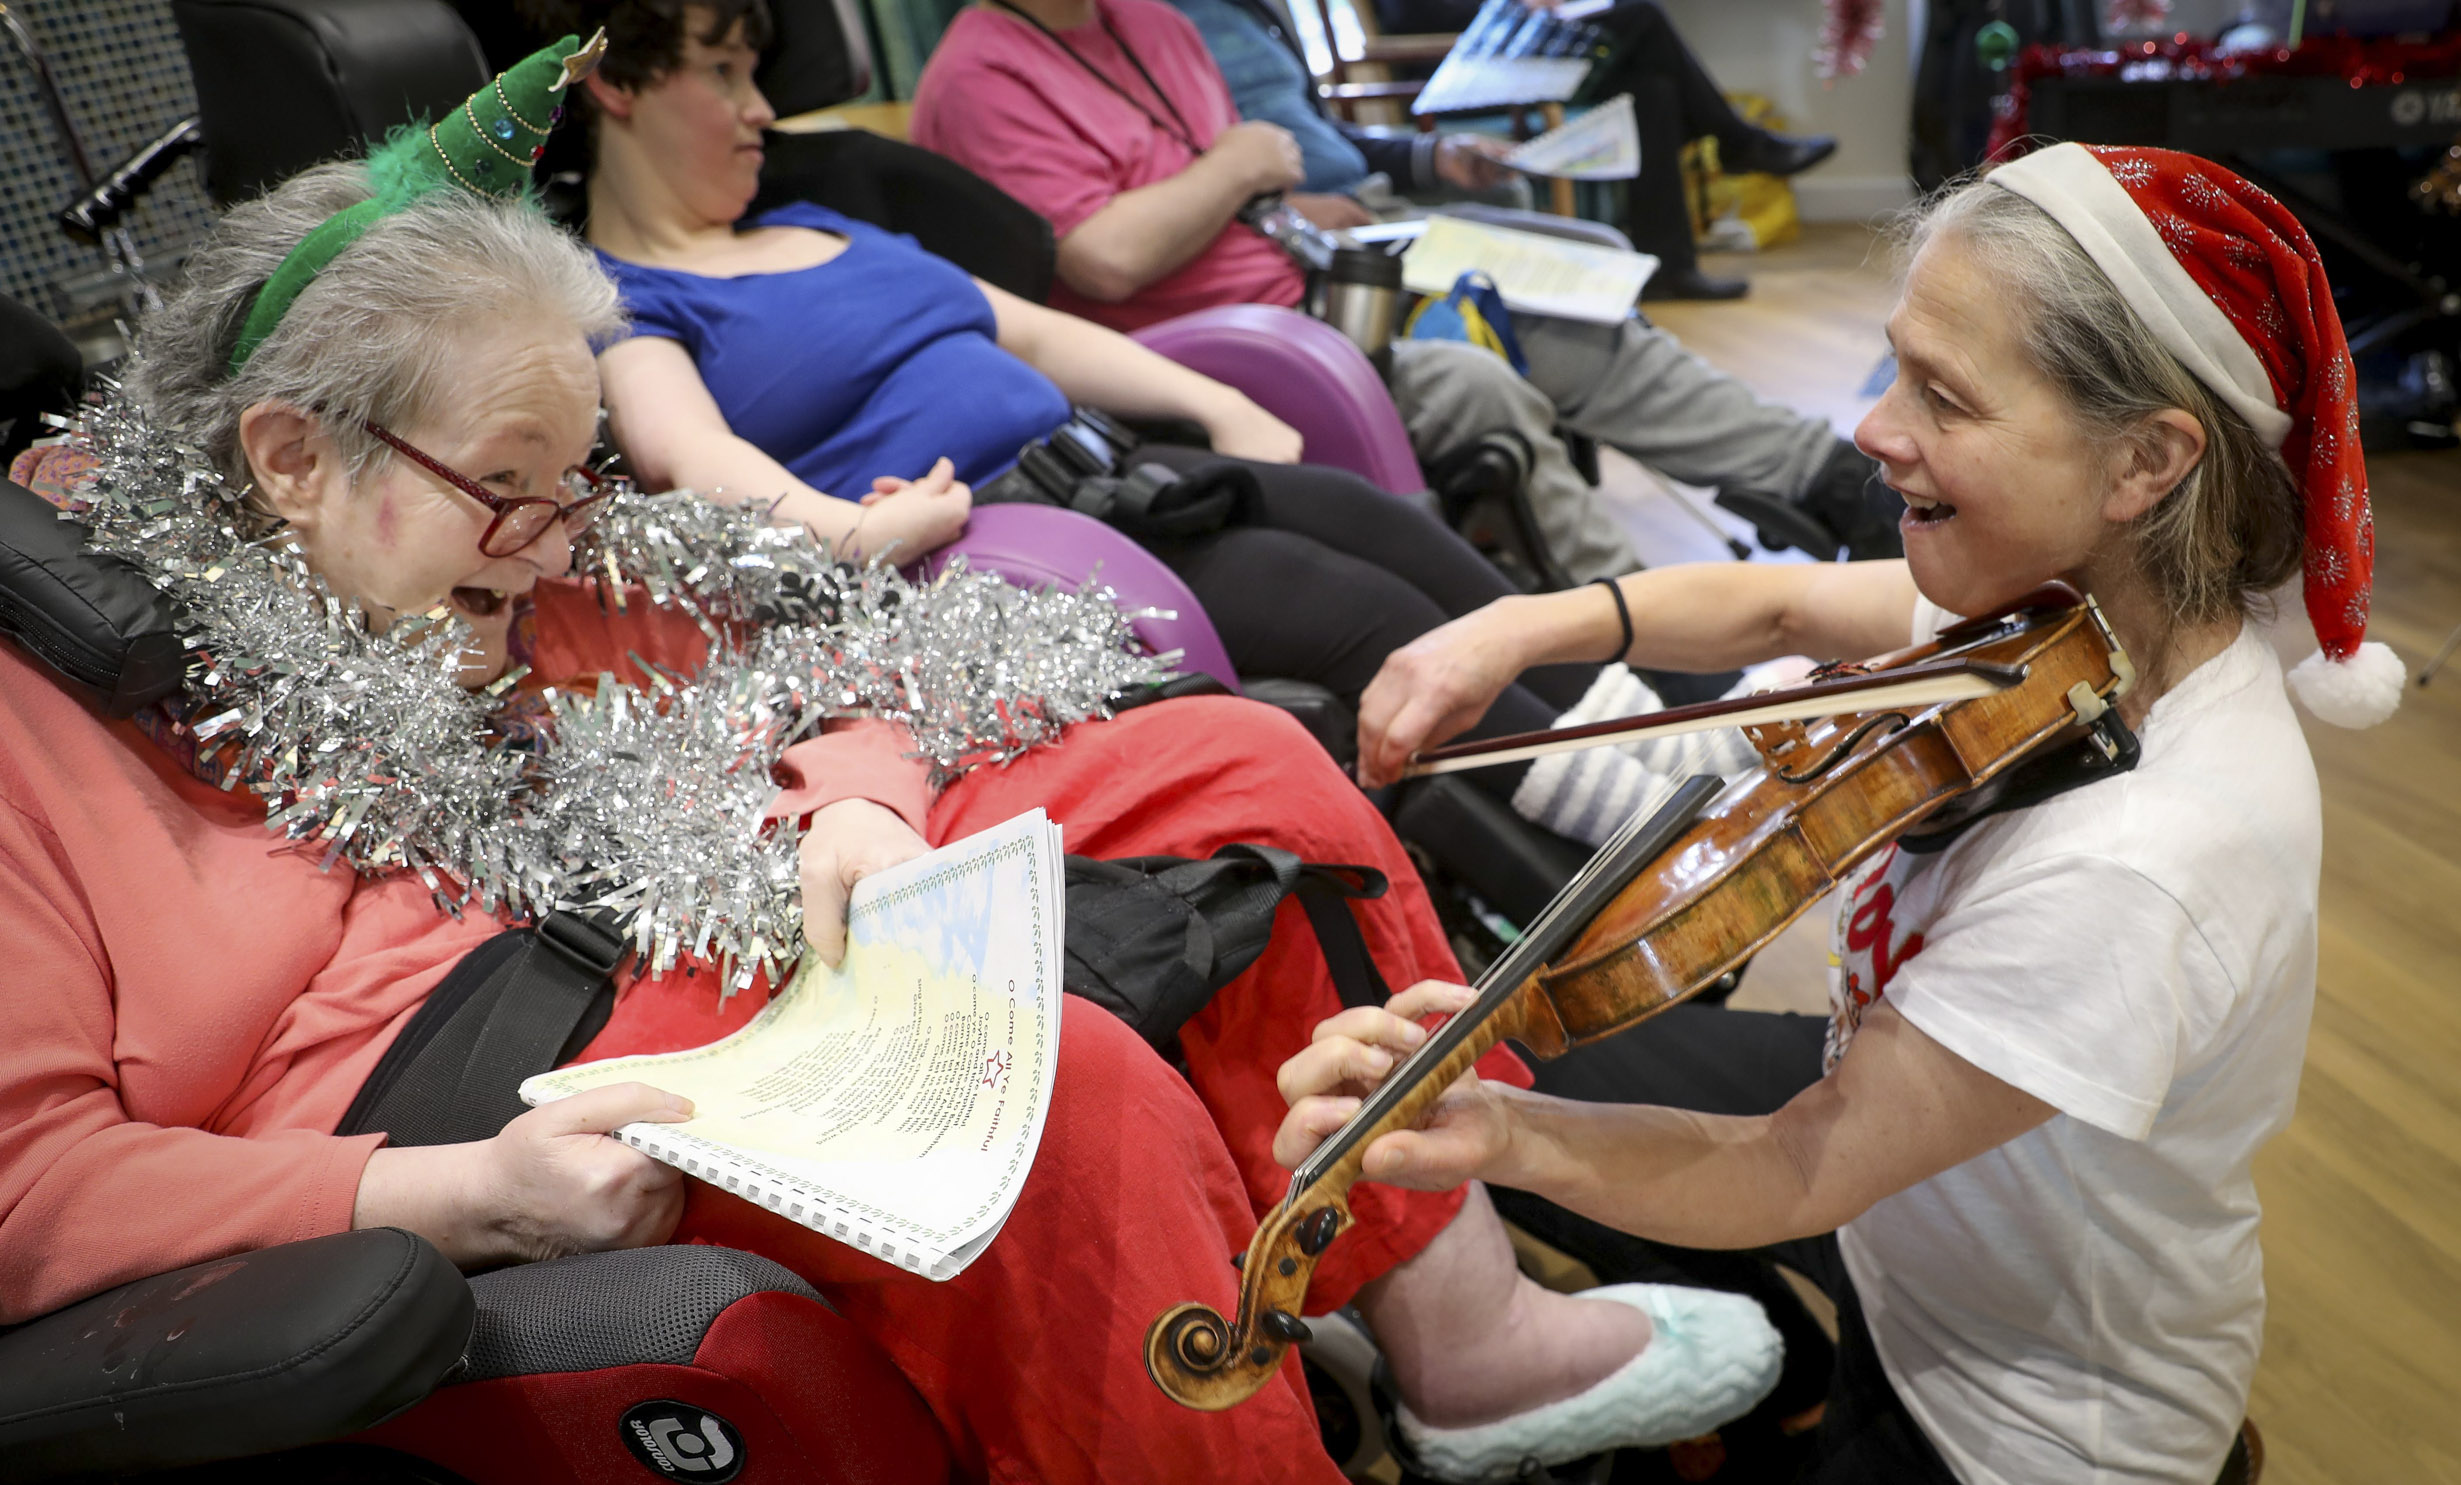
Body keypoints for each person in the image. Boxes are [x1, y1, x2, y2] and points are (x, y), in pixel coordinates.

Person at [0, 39, 1788, 1485]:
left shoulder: (528, 557)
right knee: (1051, 1101)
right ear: (291, 457)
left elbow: (818, 654)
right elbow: (31, 1186)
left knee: (1240, 762)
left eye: (574, 486)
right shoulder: (53, 714)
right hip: (436, 1067)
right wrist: (445, 1197)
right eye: (507, 487)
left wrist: (857, 794)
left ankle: (1460, 1337)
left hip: (665, 871)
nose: (554, 542)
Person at [1276, 143, 2404, 1482]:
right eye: (1894, 364)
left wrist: (1508, 1142)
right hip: (1920, 1230)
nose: (1874, 427)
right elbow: (1782, 603)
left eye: (1943, 394)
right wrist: (1523, 625)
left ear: (2146, 461)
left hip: (2013, 1421)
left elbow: (1799, 1174)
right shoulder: (2061, 613)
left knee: (1548, 1101)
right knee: (1564, 1060)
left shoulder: (2144, 865)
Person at [540, 0, 1753, 830]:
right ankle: (1635, 825)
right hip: (989, 550)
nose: (761, 109)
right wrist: (849, 531)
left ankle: (1655, 741)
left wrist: (1218, 401)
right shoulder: (622, 297)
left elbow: (1030, 328)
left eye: (758, 72)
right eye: (724, 72)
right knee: (1359, 614)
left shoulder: (828, 218)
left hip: (1108, 471)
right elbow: (684, 455)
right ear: (611, 82)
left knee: (1389, 531)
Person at [908, 0, 1898, 577]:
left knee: (1572, 280)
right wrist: (1244, 168)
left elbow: (1277, 173)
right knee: (1501, 372)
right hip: (1217, 351)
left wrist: (1274, 180)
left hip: (1312, 291)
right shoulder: (979, 75)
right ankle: (1658, 611)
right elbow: (1107, 260)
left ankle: (1815, 484)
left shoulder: (1156, 23)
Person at [1166, 0, 1835, 299]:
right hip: (1446, 71)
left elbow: (1322, 131)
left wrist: (1431, 156)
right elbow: (1182, 171)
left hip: (1373, 177)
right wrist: (1280, 210)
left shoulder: (1251, 12)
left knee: (1650, 88)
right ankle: (1737, 144)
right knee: (1639, 17)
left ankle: (1670, 264)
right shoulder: (1154, 33)